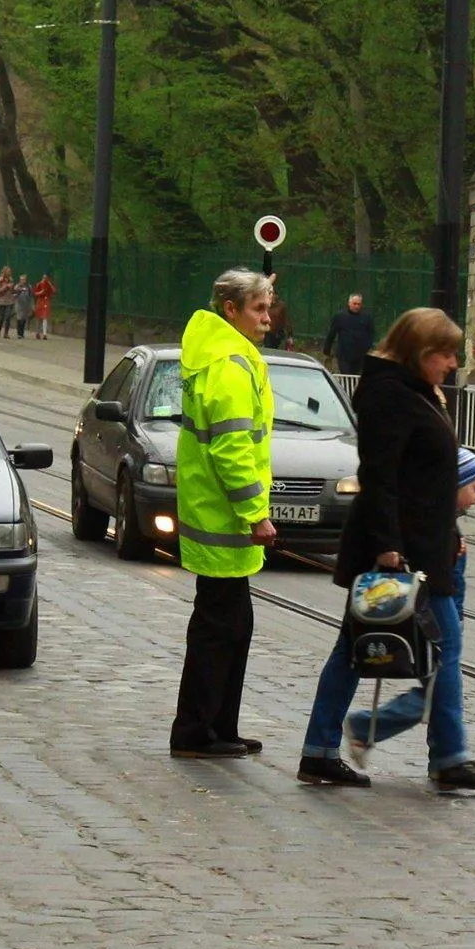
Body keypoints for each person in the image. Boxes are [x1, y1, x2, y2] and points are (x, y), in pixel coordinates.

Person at [298, 307, 475, 793]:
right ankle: (446, 755)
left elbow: (427, 477)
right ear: (419, 351)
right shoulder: (390, 394)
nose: (453, 363)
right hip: (401, 549)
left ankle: (323, 748)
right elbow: (381, 477)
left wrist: (448, 532)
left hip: (426, 543)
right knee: (443, 645)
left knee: (354, 649)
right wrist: (390, 546)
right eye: (447, 353)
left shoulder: (415, 390)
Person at [169, 268, 279, 760]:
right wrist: (256, 513)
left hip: (214, 515)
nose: (268, 319)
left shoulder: (216, 354)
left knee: (230, 628)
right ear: (230, 310)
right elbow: (233, 449)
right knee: (220, 632)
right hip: (225, 521)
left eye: (268, 308)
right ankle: (197, 731)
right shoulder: (229, 365)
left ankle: (216, 727)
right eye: (259, 309)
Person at [343, 447, 475, 769]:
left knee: (437, 689)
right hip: (431, 621)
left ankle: (375, 731)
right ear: (453, 485)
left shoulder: (450, 530)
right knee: (438, 689)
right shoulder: (437, 531)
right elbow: (447, 585)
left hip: (444, 617)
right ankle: (371, 727)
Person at [323, 292, 375, 376]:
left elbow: (371, 334)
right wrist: (327, 350)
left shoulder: (366, 317)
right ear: (349, 303)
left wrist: (367, 347)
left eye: (359, 304)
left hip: (360, 355)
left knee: (356, 377)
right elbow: (331, 334)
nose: (356, 306)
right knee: (346, 377)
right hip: (344, 355)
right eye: (354, 304)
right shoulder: (340, 317)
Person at [10, 271, 34, 340]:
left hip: (26, 305)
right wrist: (17, 292)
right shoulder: (17, 286)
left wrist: (32, 306)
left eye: (24, 279)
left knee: (23, 319)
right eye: (21, 279)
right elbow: (13, 294)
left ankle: (22, 333)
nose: (22, 281)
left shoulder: (29, 287)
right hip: (18, 305)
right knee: (19, 318)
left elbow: (31, 296)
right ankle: (19, 333)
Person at [0, 266, 17, 338]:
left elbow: (13, 290)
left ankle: (6, 333)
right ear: (4, 272)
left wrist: (13, 289)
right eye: (8, 271)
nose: (10, 272)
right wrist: (5, 287)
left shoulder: (11, 280)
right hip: (2, 301)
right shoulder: (0, 280)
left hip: (10, 301)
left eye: (10, 271)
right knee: (1, 318)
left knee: (8, 317)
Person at [32, 271, 56, 339]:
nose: (44, 279)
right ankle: (38, 332)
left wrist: (50, 283)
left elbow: (54, 291)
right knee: (39, 318)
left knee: (45, 318)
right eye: (43, 277)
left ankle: (44, 334)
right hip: (40, 302)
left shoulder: (49, 285)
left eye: (46, 277)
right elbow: (35, 293)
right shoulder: (39, 284)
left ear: (48, 278)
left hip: (46, 302)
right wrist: (40, 292)